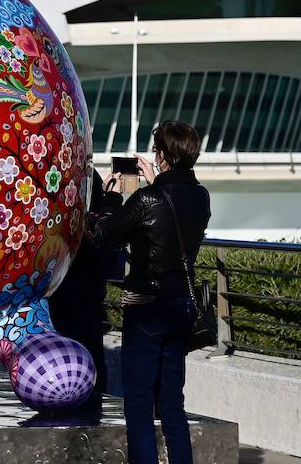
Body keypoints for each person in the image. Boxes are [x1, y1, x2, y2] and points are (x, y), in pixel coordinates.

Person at [90, 120, 210, 464]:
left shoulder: (146, 198)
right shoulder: (201, 197)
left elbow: (105, 234)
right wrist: (158, 182)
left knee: (140, 407)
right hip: (182, 309)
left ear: (163, 155)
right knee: (173, 405)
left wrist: (112, 196)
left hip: (147, 309)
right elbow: (175, 216)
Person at [48, 140, 110, 402]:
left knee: (66, 337)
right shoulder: (90, 177)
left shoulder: (60, 178)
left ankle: (70, 394)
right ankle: (94, 394)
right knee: (91, 343)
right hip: (86, 279)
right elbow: (103, 226)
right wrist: (110, 199)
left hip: (63, 280)